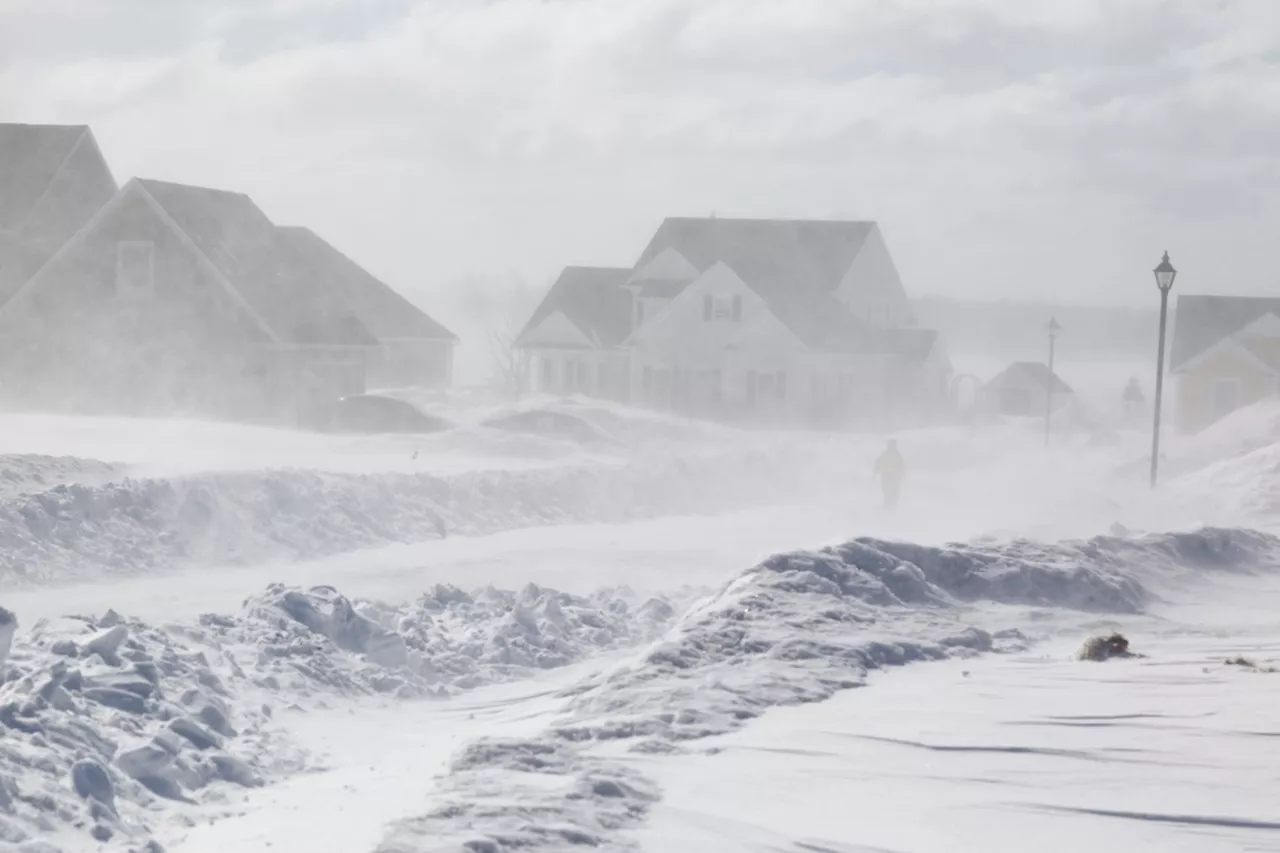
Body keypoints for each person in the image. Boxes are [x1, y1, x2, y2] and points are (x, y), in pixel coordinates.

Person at [873, 439, 906, 509]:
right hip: (886, 476)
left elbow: (901, 467)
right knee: (887, 493)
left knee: (894, 494)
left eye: (893, 445)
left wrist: (901, 476)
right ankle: (888, 508)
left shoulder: (898, 455)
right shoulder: (885, 454)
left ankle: (891, 507)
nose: (891, 446)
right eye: (890, 445)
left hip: (895, 478)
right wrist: (875, 471)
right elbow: (878, 463)